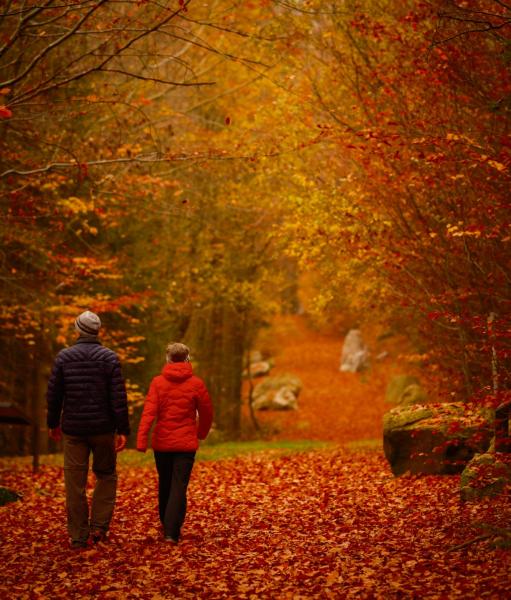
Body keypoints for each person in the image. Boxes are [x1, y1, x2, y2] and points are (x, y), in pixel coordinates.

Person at [46, 310, 130, 549]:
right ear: (97, 331)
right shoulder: (109, 358)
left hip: (73, 430)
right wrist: (122, 428)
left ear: (78, 330)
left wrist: (53, 423)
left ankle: (78, 535)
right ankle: (99, 527)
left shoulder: (64, 358)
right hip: (103, 428)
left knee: (75, 482)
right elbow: (118, 397)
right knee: (106, 475)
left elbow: (54, 395)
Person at [136, 342, 213, 544]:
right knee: (178, 486)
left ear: (168, 359)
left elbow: (149, 413)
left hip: (162, 444)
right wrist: (201, 433)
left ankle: (167, 524)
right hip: (186, 444)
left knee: (165, 483)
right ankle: (172, 530)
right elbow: (207, 412)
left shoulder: (157, 383)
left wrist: (142, 440)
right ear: (187, 359)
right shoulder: (196, 383)